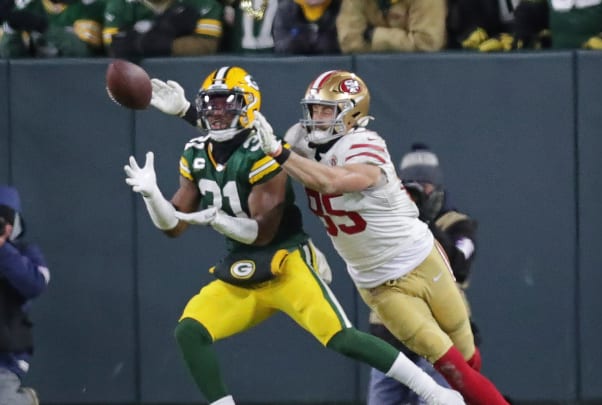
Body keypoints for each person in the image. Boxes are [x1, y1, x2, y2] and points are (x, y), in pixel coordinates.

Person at [124, 65, 465, 405]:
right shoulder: (196, 152)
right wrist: (153, 195)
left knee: (342, 338)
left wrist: (220, 220)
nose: (215, 114)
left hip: (285, 262)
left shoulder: (267, 152)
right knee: (189, 330)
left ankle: (432, 391)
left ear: (248, 107)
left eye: (226, 105)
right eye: (210, 105)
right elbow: (173, 226)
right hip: (238, 268)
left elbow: (260, 231)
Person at [252, 69, 508, 405]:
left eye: (328, 110)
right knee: (450, 366)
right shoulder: (298, 139)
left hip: (420, 259)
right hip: (378, 284)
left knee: (468, 355)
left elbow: (332, 182)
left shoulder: (364, 143)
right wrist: (189, 113)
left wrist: (281, 154)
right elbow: (238, 137)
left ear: (353, 112)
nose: (317, 118)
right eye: (314, 109)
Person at [365, 143, 481, 405]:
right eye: (411, 186)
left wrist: (424, 224)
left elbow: (459, 266)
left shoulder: (457, 224)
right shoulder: (387, 223)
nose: (419, 193)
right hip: (391, 332)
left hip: (440, 333)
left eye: (424, 186)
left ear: (437, 188)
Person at [0, 186, 50, 405]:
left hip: (6, 355)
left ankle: (25, 401)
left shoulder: (25, 253)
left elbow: (35, 284)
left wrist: (3, 250)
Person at [103, 0, 223, 58]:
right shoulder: (120, 4)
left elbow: (206, 45)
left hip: (186, 75)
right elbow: (116, 46)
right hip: (135, 82)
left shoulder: (201, 2)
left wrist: (142, 43)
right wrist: (162, 35)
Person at [0, 0, 104, 58]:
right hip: (34, 81)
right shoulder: (26, 6)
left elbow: (84, 55)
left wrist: (44, 27)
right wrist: (11, 30)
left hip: (78, 80)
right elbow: (9, 58)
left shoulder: (92, 7)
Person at [335, 0, 446, 53]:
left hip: (422, 73)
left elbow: (427, 43)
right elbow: (349, 41)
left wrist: (373, 36)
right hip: (371, 72)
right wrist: (406, 41)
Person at [271, 0, 341, 55]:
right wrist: (300, 40)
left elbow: (349, 45)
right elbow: (281, 46)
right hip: (296, 67)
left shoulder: (343, 7)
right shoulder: (287, 8)